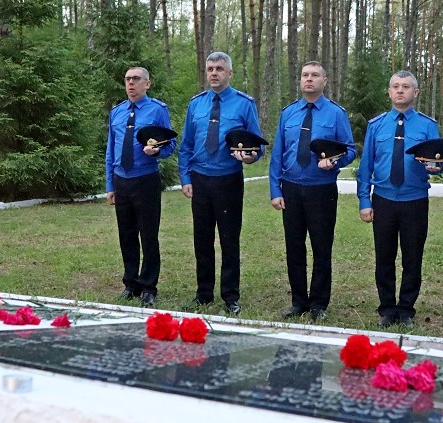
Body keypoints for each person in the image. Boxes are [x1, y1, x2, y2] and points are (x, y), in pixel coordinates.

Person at [269, 61, 356, 321]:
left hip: (322, 189)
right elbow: (277, 154)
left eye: (315, 75)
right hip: (291, 188)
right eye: (305, 75)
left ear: (324, 81)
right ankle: (298, 302)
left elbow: (350, 149)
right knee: (294, 247)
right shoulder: (288, 114)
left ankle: (318, 303)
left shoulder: (336, 114)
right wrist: (275, 189)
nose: (309, 79)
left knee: (321, 247)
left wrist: (335, 161)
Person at [178, 52, 263, 316]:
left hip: (228, 179)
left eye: (219, 69)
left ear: (230, 73)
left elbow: (257, 144)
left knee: (229, 239)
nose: (214, 73)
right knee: (202, 239)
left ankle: (230, 295)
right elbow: (186, 145)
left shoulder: (244, 104)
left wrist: (250, 156)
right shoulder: (196, 104)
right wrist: (185, 178)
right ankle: (203, 293)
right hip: (200, 179)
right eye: (210, 69)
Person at [356, 70, 441, 328]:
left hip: (415, 200)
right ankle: (387, 309)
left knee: (413, 257)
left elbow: (438, 161)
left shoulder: (427, 126)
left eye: (406, 86)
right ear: (389, 92)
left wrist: (436, 167)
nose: (400, 90)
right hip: (383, 199)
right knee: (384, 257)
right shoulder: (376, 125)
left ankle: (406, 309)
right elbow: (365, 166)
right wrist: (364, 201)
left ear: (416, 92)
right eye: (395, 86)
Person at [105, 67, 176, 308]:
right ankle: (131, 283)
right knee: (126, 235)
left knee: (148, 235)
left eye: (136, 79)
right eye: (128, 79)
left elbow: (170, 144)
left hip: (145, 179)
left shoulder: (157, 110)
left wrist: (157, 152)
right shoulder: (117, 112)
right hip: (121, 180)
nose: (131, 83)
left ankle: (148, 286)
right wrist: (110, 184)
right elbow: (111, 150)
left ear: (147, 84)